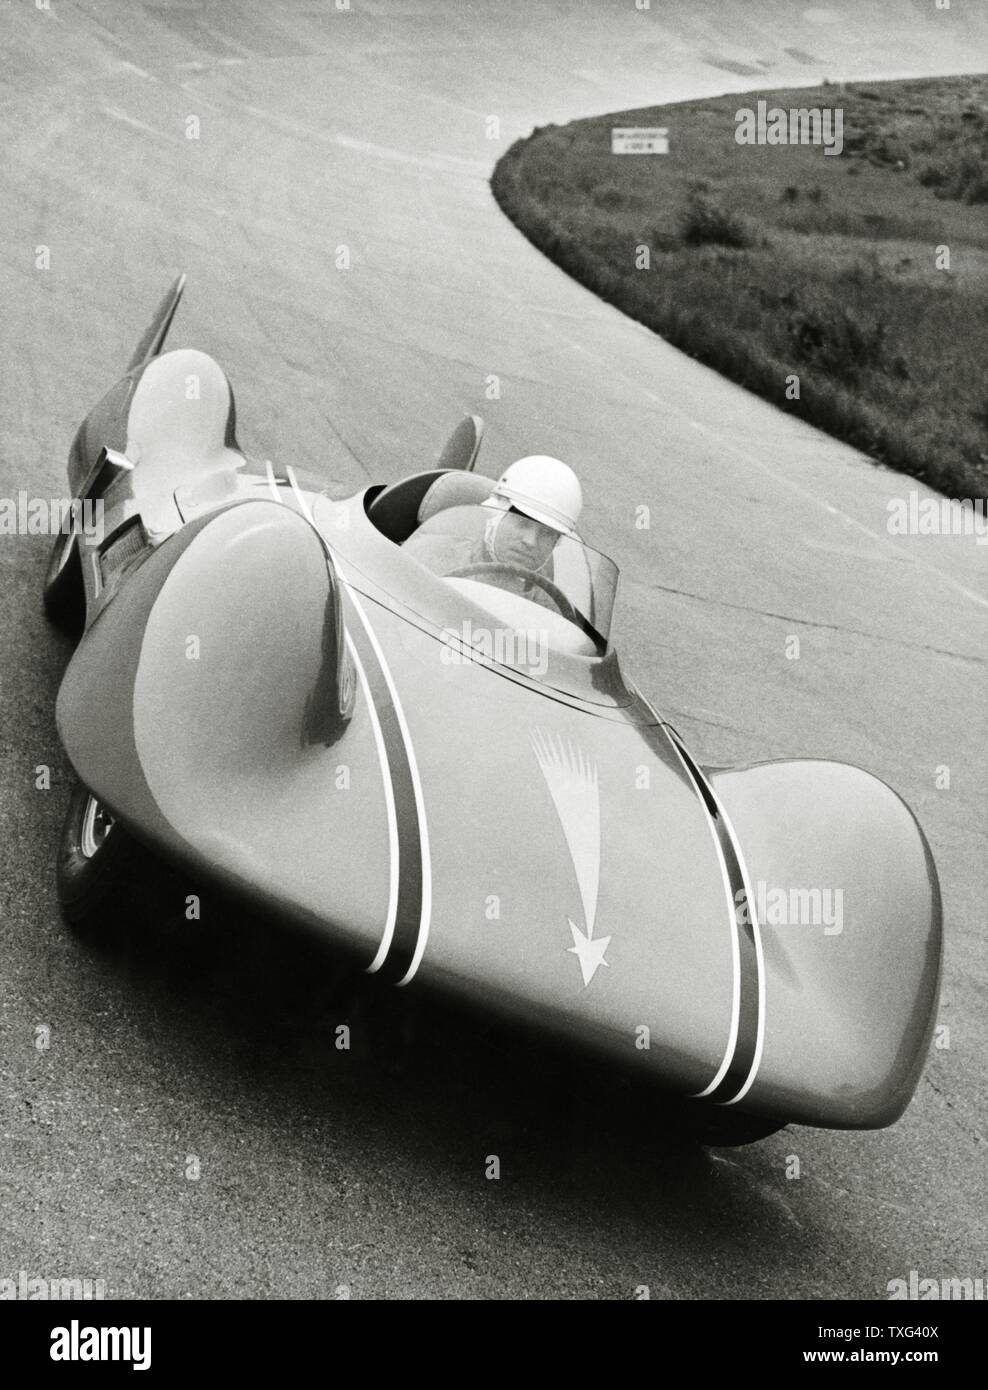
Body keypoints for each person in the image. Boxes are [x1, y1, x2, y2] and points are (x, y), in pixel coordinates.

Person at [402, 455, 583, 603]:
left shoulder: (551, 611)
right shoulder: (427, 554)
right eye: (522, 523)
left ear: (556, 543)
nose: (531, 541)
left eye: (547, 533)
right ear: (495, 514)